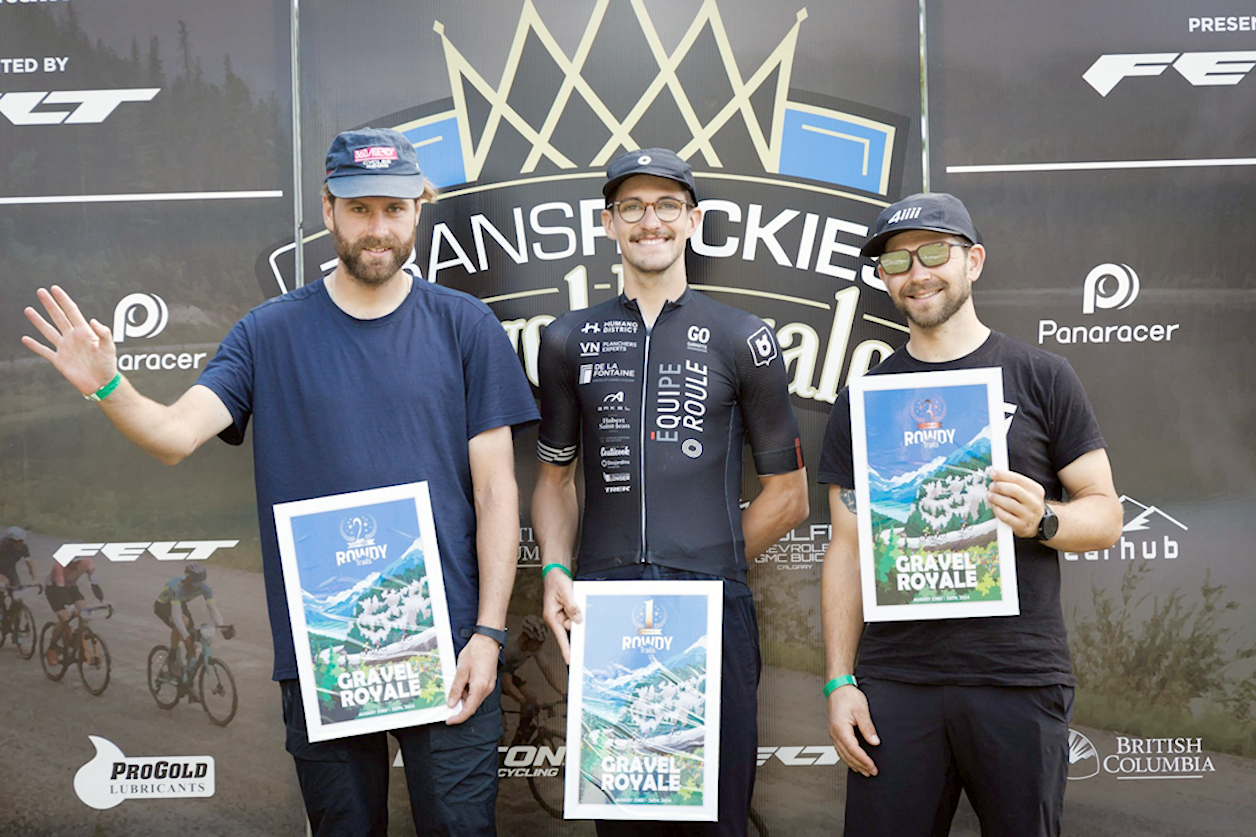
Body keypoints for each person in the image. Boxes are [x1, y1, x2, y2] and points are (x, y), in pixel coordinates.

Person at [22, 127, 540, 836]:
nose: (378, 227)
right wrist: (107, 384)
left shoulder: (466, 326)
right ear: (327, 210)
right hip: (327, 654)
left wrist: (486, 632)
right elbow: (174, 435)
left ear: (419, 210)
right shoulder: (267, 334)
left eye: (394, 208)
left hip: (451, 651)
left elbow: (496, 493)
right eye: (359, 209)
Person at [817, 192, 1122, 837]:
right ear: (882, 280)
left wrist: (1045, 520)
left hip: (1016, 676)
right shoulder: (864, 399)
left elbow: (1105, 514)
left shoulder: (1043, 375)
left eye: (933, 253)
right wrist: (840, 680)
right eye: (895, 262)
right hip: (895, 681)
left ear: (973, 261)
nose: (915, 272)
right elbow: (846, 547)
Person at [533, 148, 810, 836]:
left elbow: (790, 495)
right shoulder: (567, 338)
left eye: (665, 206)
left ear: (692, 220)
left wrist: (701, 570)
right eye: (631, 207)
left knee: (716, 820)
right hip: (608, 614)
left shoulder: (746, 338)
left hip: (714, 608)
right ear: (609, 223)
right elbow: (554, 479)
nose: (648, 220)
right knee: (625, 822)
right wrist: (557, 570)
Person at [154, 563, 233, 686]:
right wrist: (184, 636)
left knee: (193, 643)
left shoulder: (205, 588)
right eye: (193, 585)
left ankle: (187, 680)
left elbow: (213, 609)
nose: (196, 589)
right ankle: (172, 656)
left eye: (198, 585)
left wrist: (221, 626)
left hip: (181, 604)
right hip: (164, 605)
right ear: (187, 580)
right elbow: (176, 615)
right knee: (183, 624)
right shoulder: (176, 588)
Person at [43, 554, 106, 666]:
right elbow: (60, 591)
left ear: (80, 561)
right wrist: (70, 607)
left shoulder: (88, 564)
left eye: (75, 563)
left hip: (71, 588)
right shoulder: (59, 566)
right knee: (64, 618)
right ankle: (52, 648)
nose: (72, 566)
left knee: (85, 611)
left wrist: (103, 601)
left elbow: (95, 585)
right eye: (69, 563)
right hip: (55, 589)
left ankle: (78, 640)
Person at [500, 615, 566, 711]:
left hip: (508, 674)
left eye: (541, 643)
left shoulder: (533, 649)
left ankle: (526, 726)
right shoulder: (510, 649)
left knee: (532, 698)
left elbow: (547, 672)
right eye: (537, 642)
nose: (539, 647)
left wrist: (563, 692)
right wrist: (523, 701)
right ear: (525, 638)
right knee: (507, 717)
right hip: (495, 677)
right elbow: (505, 681)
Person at [0, 526, 38, 590]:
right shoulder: (1, 546)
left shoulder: (23, 547)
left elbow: (30, 565)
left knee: (17, 592)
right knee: (3, 587)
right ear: (10, 541)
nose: (20, 543)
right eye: (18, 541)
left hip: (10, 572)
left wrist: (36, 580)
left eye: (22, 540)